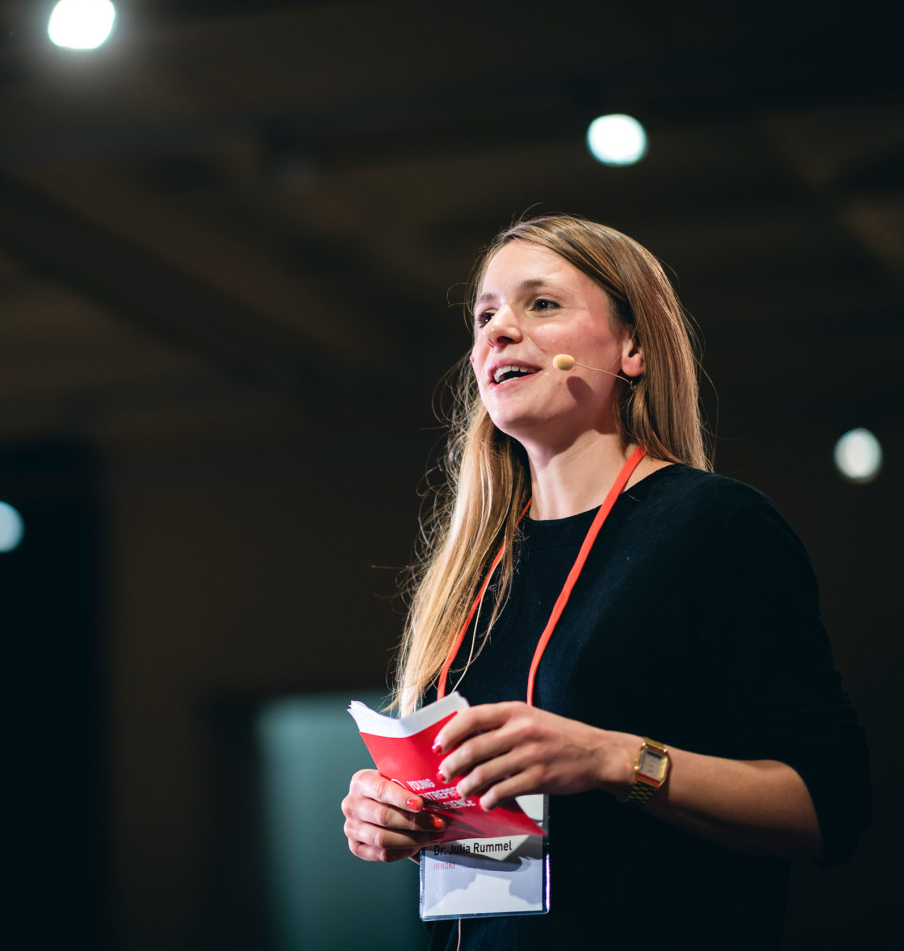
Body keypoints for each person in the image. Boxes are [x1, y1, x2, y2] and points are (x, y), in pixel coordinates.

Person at [340, 215, 870, 948]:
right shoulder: (475, 566)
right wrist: (393, 812)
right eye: (485, 314)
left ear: (632, 347)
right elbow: (490, 829)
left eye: (542, 304)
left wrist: (613, 759)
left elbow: (830, 807)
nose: (498, 331)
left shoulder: (715, 526)